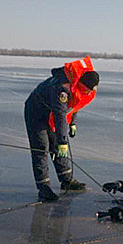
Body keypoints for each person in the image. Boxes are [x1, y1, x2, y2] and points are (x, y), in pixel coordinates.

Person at [24, 56, 99, 202]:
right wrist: (63, 140)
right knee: (42, 148)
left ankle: (67, 181)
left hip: (54, 113)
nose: (89, 93)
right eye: (87, 90)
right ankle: (43, 188)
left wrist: (72, 123)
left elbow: (76, 102)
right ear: (81, 83)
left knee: (58, 145)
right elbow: (59, 114)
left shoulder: (80, 86)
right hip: (36, 112)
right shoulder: (61, 89)